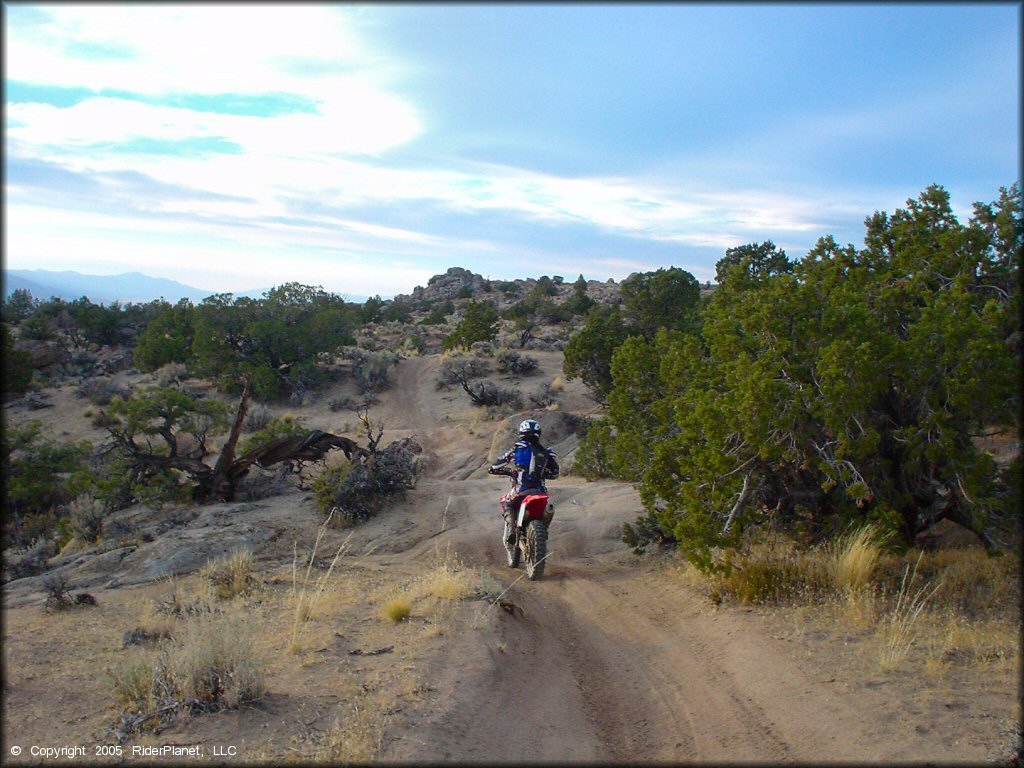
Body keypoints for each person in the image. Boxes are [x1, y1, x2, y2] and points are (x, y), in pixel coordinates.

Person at [489, 419, 559, 522]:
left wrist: (508, 471)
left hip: (522, 489)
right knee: (548, 509)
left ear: (522, 432)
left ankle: (511, 528)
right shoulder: (546, 452)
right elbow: (555, 473)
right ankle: (543, 529)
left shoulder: (519, 448)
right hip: (541, 492)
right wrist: (541, 473)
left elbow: (496, 467)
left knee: (505, 501)